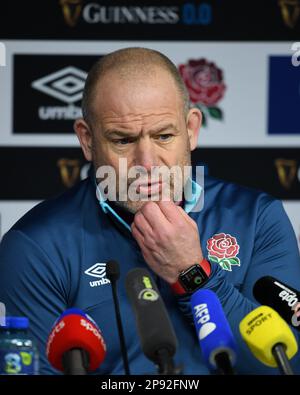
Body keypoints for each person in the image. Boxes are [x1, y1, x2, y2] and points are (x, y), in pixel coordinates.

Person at [0, 47, 300, 375]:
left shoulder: (257, 219)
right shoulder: (35, 246)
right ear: (87, 140)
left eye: (163, 136)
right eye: (123, 140)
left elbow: (288, 365)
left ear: (191, 129)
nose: (147, 163)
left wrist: (193, 273)